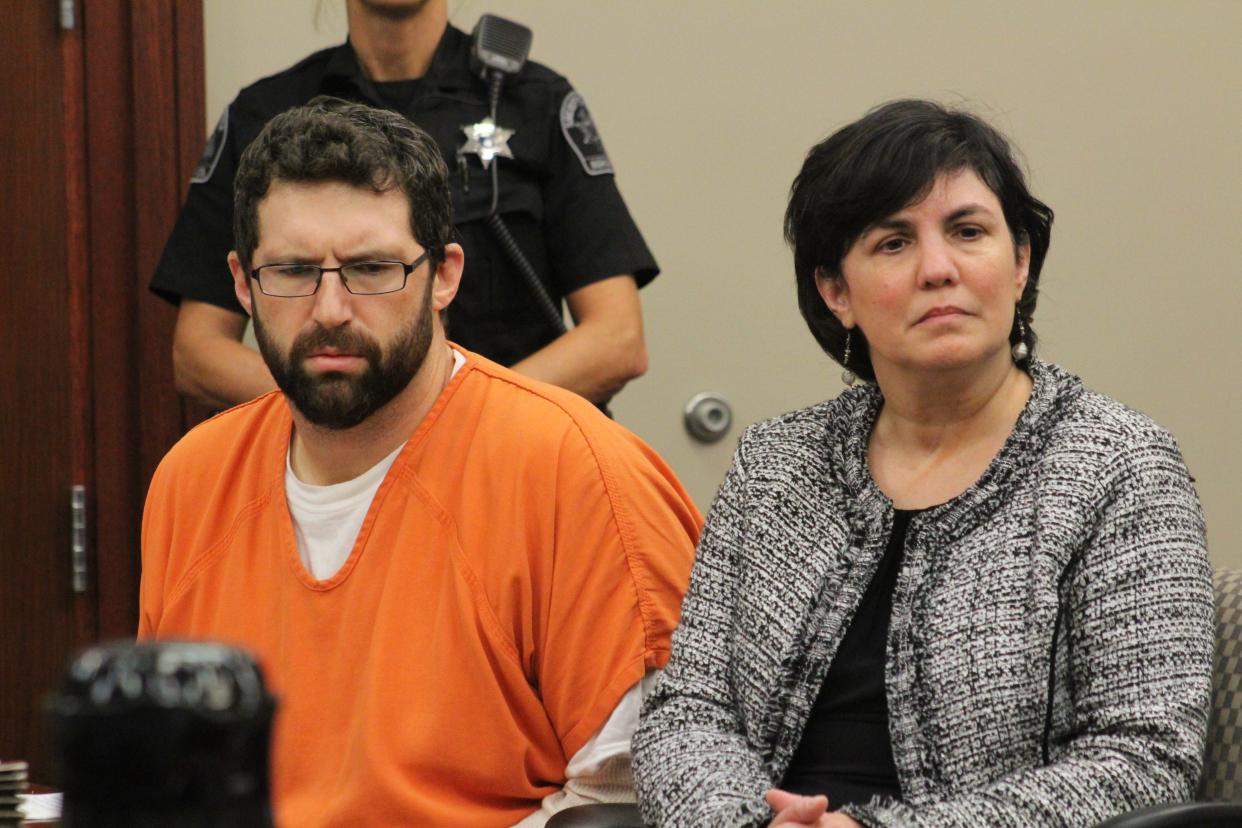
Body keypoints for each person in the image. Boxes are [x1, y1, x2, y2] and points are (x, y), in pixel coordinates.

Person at [632, 99, 1214, 827]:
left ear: (1021, 262)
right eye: (893, 243)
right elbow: (688, 710)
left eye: (969, 232)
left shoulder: (1120, 468)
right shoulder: (775, 463)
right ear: (835, 292)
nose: (938, 269)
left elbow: (1144, 760)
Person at [139, 97, 700, 827]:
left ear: (444, 276)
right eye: (293, 271)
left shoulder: (579, 473)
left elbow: (643, 799)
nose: (331, 308)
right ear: (243, 285)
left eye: (372, 269)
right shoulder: (193, 482)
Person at [152, 0, 654, 410]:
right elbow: (198, 354)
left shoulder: (535, 103)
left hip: (513, 454)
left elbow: (617, 339)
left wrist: (455, 419)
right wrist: (344, 407)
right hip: (337, 473)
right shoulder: (265, 114)